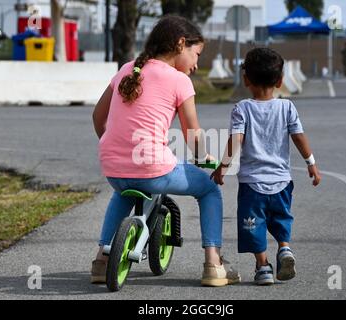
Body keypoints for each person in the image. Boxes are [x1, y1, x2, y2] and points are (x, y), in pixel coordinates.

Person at [91, 15, 240, 287]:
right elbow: (192, 134)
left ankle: (101, 261)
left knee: (123, 192)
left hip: (113, 167)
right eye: (196, 54)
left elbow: (97, 117)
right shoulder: (178, 81)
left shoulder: (127, 70)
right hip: (152, 169)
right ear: (181, 44)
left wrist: (115, 145)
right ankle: (213, 263)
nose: (196, 65)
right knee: (208, 189)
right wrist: (202, 157)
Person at [211, 47, 321, 285]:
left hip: (252, 184)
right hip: (281, 181)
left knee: (254, 226)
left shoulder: (242, 108)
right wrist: (311, 162)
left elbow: (236, 140)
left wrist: (222, 167)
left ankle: (263, 267)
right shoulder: (287, 107)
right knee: (281, 218)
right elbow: (299, 136)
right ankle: (284, 248)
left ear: (246, 79)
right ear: (281, 80)